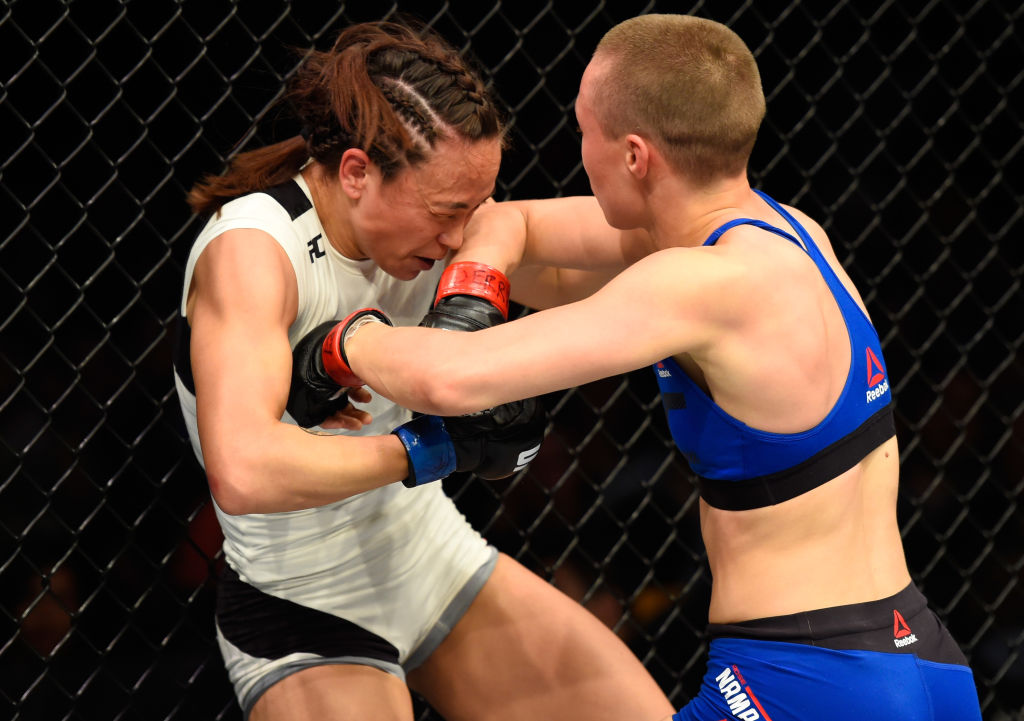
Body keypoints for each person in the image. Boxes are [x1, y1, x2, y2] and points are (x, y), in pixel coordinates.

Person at [306, 14, 985, 721]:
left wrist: (345, 338)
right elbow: (522, 232)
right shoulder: (784, 233)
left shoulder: (700, 285)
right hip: (916, 657)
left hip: (808, 678)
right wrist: (476, 277)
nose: (578, 150)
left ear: (634, 155)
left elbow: (452, 377)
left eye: (582, 130)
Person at [172, 19, 673, 721]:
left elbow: (582, 264)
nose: (457, 235)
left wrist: (723, 236)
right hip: (301, 601)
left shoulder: (450, 216)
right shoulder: (257, 251)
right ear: (356, 173)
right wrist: (423, 450)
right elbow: (244, 468)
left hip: (428, 554)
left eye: (474, 207)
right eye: (446, 212)